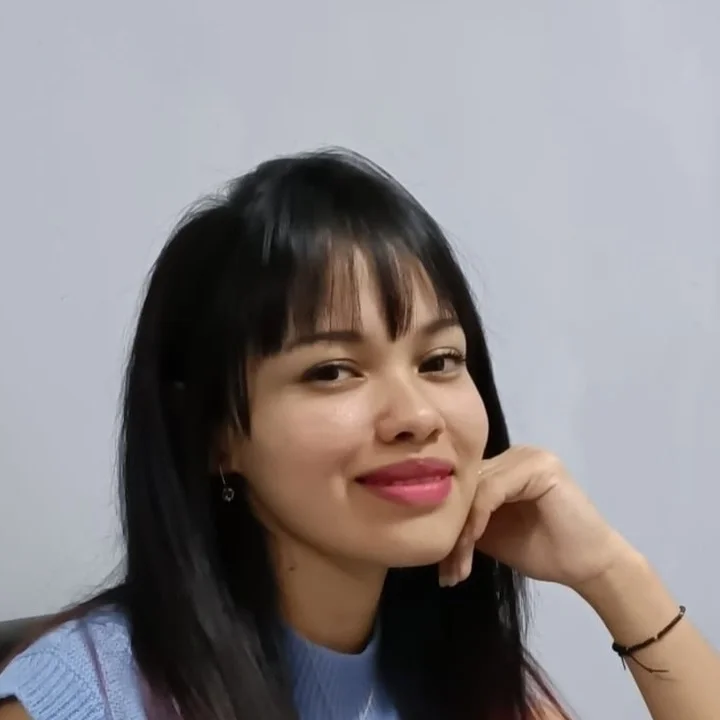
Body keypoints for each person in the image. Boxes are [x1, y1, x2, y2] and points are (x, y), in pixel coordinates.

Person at [0, 149, 717, 720]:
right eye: (334, 371)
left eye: (440, 361)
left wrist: (612, 575)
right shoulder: (93, 697)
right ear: (215, 434)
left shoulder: (466, 680)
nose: (417, 415)